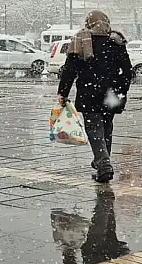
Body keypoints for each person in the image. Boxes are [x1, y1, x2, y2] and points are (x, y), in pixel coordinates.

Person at [57, 10, 133, 183]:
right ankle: (102, 163)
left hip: (89, 92)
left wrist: (63, 92)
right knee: (107, 127)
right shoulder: (117, 41)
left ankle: (103, 163)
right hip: (111, 94)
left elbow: (70, 70)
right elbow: (127, 71)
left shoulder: (80, 40)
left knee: (94, 128)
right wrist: (121, 90)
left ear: (89, 23)